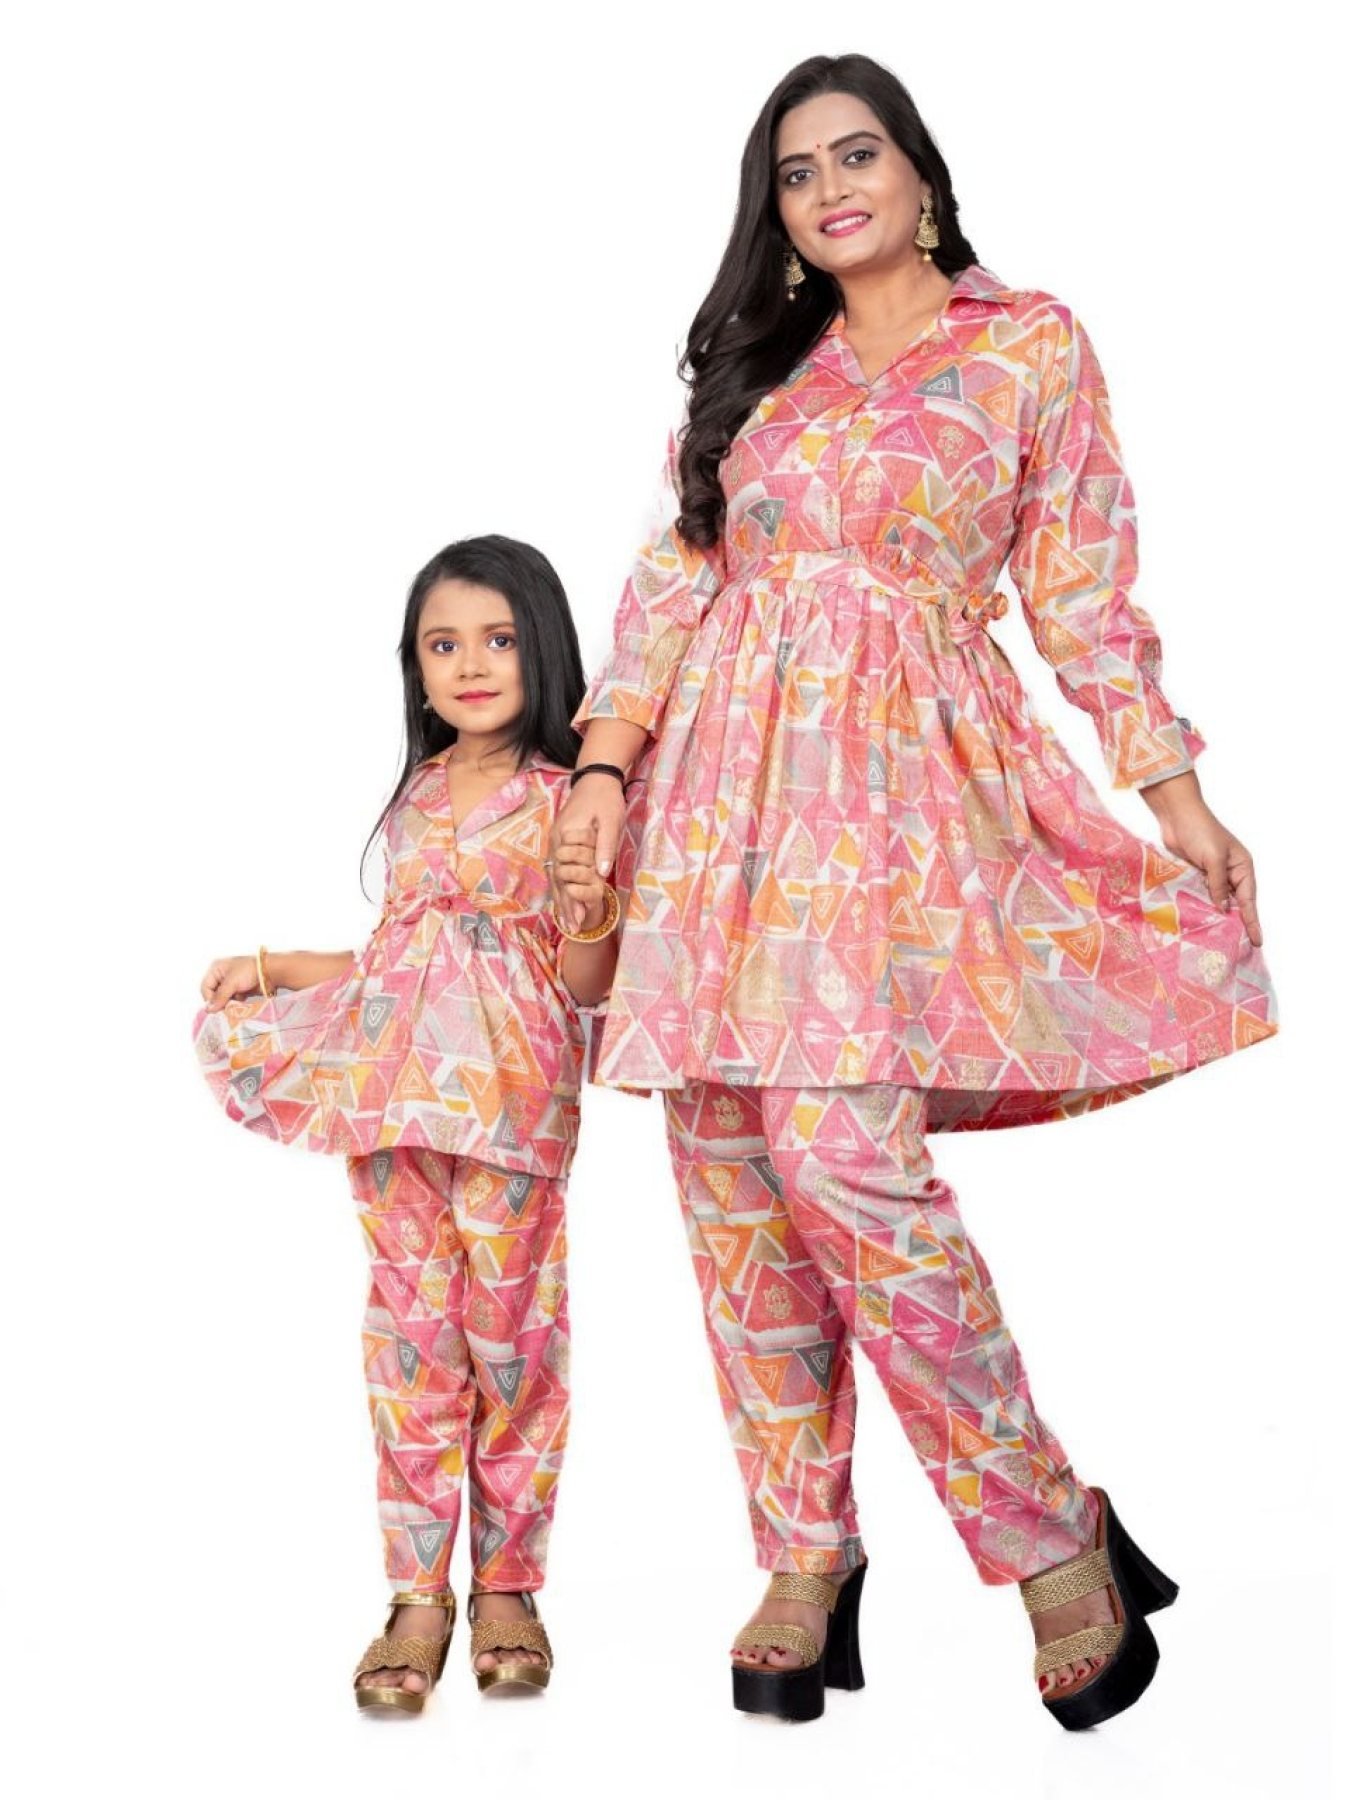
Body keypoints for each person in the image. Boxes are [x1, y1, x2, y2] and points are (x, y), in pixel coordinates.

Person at [549, 54, 1278, 1728]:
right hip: (714, 811)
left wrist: (1174, 793)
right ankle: (804, 1555)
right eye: (795, 174)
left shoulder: (1025, 346)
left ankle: (1048, 1531)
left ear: (922, 175)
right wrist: (600, 769)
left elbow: (1082, 593)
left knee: (843, 1159)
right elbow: (671, 584)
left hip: (897, 811)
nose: (828, 190)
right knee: (731, 1178)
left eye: (855, 154)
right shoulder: (759, 369)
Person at [193, 535, 620, 1715]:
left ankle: (509, 1587)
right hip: (392, 1099)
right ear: (415, 667)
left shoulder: (571, 797)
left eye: (497, 639)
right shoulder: (421, 793)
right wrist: (279, 967)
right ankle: (417, 1594)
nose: (470, 665)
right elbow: (401, 957)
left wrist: (591, 906)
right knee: (412, 1341)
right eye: (443, 645)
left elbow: (585, 981)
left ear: (543, 646)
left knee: (512, 1342)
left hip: (513, 1105)